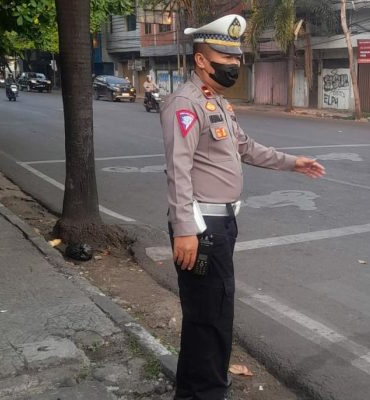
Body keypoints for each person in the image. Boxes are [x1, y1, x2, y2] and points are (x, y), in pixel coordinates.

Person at [159, 14, 325, 400]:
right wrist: (185, 229)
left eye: (237, 57)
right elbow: (178, 170)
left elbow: (246, 148)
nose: (234, 64)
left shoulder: (217, 103)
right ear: (202, 59)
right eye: (225, 56)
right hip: (202, 229)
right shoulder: (184, 104)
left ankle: (197, 388)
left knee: (209, 314)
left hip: (221, 227)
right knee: (211, 317)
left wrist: (291, 162)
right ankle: (206, 392)